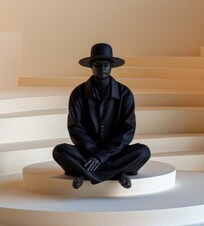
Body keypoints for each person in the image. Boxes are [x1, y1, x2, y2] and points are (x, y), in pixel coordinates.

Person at [52, 43, 151, 189]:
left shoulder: (125, 94)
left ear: (111, 66)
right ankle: (117, 174)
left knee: (143, 152)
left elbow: (127, 130)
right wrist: (95, 154)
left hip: (115, 153)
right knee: (60, 151)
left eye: (106, 64)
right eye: (98, 64)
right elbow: (75, 128)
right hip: (87, 153)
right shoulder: (78, 93)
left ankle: (84, 174)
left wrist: (102, 156)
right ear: (91, 66)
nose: (102, 68)